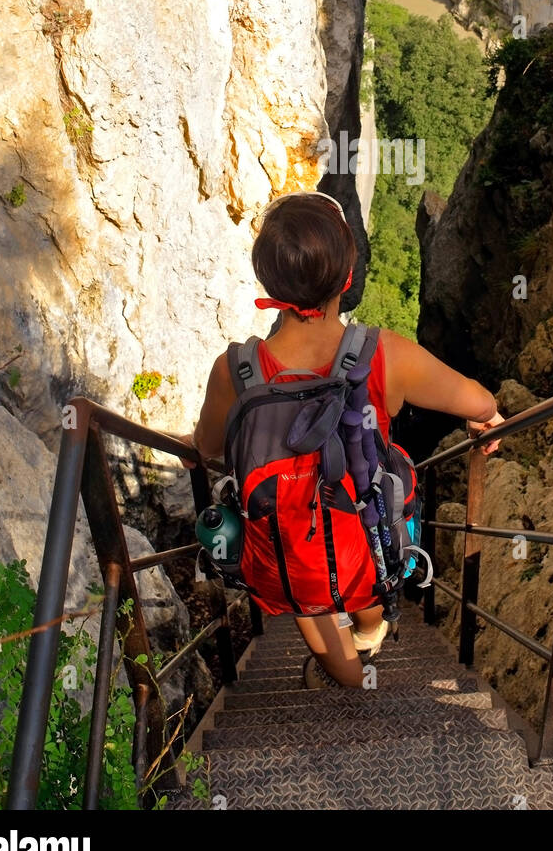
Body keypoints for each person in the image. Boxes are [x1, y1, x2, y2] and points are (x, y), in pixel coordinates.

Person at [182, 191, 504, 688]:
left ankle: (352, 679)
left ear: (267, 280)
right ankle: (367, 640)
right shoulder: (384, 356)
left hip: (285, 562)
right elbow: (477, 401)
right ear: (347, 277)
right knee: (369, 587)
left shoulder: (235, 372)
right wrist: (487, 418)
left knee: (309, 595)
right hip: (366, 551)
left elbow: (205, 446)